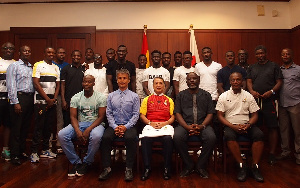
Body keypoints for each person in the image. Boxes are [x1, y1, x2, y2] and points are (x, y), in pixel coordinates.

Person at [216, 72, 264, 182]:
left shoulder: (248, 95)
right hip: (230, 125)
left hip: (247, 124)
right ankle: (242, 166)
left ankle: (255, 166)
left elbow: (255, 115)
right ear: (230, 81)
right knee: (228, 136)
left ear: (242, 82)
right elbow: (220, 115)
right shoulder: (224, 96)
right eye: (233, 80)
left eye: (238, 80)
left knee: (259, 135)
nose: (236, 82)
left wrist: (248, 124)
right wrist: (232, 126)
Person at [58, 75, 107, 177]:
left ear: (94, 84)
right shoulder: (76, 97)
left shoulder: (101, 97)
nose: (86, 84)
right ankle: (76, 162)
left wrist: (88, 129)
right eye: (84, 82)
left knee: (96, 136)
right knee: (62, 134)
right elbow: (73, 116)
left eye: (89, 82)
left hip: (96, 124)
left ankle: (87, 162)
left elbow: (101, 117)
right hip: (80, 123)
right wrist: (77, 130)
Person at [99, 69, 140, 182]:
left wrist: (125, 127)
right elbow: (109, 113)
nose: (122, 81)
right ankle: (107, 168)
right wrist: (115, 126)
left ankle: (129, 168)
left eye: (124, 78)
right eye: (120, 78)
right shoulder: (111, 96)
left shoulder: (134, 96)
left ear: (128, 80)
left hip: (129, 126)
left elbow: (136, 114)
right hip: (114, 125)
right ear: (116, 80)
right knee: (105, 138)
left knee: (130, 137)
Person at [174, 72, 216, 179]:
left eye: (194, 79)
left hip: (203, 124)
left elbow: (210, 113)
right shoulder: (180, 95)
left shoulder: (206, 95)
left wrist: (201, 126)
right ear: (186, 82)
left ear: (199, 80)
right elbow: (177, 113)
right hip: (185, 125)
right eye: (189, 79)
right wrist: (187, 127)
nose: (192, 81)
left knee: (211, 137)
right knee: (177, 137)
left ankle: (200, 166)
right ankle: (188, 165)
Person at [247, 45, 283, 165]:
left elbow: (279, 82)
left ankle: (272, 153)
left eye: (262, 53)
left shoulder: (274, 66)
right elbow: (249, 81)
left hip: (270, 101)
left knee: (272, 127)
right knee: (254, 126)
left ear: (266, 53)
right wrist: (251, 91)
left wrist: (271, 91)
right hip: (255, 101)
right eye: (257, 54)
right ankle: (254, 151)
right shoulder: (252, 67)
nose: (260, 56)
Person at [139, 77, 175, 181]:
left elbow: (173, 116)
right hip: (151, 125)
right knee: (145, 139)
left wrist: (165, 123)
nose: (158, 85)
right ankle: (147, 168)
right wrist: (150, 123)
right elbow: (142, 115)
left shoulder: (169, 100)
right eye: (156, 83)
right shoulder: (147, 99)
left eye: (160, 83)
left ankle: (167, 168)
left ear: (164, 86)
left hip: (165, 125)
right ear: (153, 86)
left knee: (168, 139)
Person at [30, 47, 60, 163]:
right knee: (38, 127)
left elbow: (57, 85)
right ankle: (34, 152)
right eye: (49, 52)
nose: (51, 54)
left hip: (52, 102)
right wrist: (47, 99)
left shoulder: (56, 67)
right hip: (40, 102)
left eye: (53, 52)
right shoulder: (38, 65)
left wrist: (53, 99)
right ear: (44, 53)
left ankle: (45, 150)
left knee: (49, 127)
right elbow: (36, 83)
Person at [6, 45, 34, 165]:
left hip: (29, 98)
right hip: (19, 98)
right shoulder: (14, 66)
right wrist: (15, 102)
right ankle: (14, 155)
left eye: (29, 51)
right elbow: (11, 85)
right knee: (16, 128)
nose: (27, 53)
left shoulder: (31, 67)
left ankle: (22, 151)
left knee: (25, 128)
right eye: (24, 51)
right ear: (19, 53)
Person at [277, 48, 300, 165]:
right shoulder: (279, 70)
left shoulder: (298, 69)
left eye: (287, 54)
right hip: (282, 104)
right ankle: (285, 151)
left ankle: (299, 154)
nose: (285, 56)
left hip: (295, 103)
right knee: (283, 130)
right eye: (283, 54)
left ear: (292, 55)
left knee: (297, 131)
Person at [61, 50, 85, 128]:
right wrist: (63, 100)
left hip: (81, 100)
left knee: (80, 123)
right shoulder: (66, 69)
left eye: (78, 56)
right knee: (67, 123)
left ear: (81, 57)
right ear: (71, 57)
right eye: (74, 55)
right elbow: (62, 85)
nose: (76, 57)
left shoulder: (84, 69)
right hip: (68, 100)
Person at [0, 42, 15, 161]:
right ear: (2, 49)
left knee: (8, 125)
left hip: (9, 100)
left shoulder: (16, 64)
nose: (8, 50)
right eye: (6, 48)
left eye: (11, 48)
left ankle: (5, 149)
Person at [53, 47, 69, 153]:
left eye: (63, 53)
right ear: (56, 54)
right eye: (59, 53)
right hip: (51, 96)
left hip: (63, 96)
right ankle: (51, 144)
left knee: (62, 121)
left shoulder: (67, 66)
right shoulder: (52, 65)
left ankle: (61, 144)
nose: (61, 55)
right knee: (51, 121)